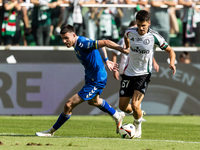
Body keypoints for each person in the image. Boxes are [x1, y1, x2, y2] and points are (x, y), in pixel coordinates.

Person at [35, 24, 130, 137]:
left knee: (68, 104)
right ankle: (116, 115)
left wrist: (123, 51)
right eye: (63, 39)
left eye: (66, 38)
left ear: (74, 35)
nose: (65, 41)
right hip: (91, 77)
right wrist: (106, 60)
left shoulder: (83, 43)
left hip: (97, 79)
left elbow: (106, 42)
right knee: (93, 101)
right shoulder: (80, 42)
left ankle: (51, 131)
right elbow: (99, 43)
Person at [118, 10, 176, 138]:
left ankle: (138, 127)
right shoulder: (130, 32)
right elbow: (126, 37)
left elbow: (170, 51)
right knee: (122, 106)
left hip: (143, 74)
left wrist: (172, 63)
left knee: (134, 104)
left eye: (143, 25)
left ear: (149, 23)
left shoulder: (155, 37)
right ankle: (139, 113)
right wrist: (127, 47)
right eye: (139, 25)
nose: (141, 28)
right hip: (128, 73)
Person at [112, 20, 159, 116]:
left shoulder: (146, 38)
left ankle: (137, 115)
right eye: (136, 26)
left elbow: (147, 52)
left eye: (142, 26)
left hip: (140, 71)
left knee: (135, 100)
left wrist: (154, 62)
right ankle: (133, 111)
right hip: (126, 70)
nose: (139, 29)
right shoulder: (125, 38)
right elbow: (115, 53)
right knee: (125, 100)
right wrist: (115, 68)